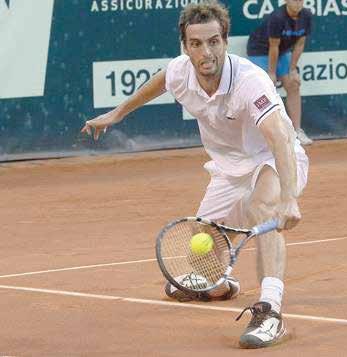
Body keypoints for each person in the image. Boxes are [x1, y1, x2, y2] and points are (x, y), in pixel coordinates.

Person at [81, 1, 308, 349]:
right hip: (228, 170)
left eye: (214, 41)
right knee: (203, 250)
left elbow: (279, 136)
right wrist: (117, 113)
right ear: (185, 47)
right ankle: (219, 285)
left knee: (264, 206)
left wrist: (288, 197)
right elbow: (160, 81)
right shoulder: (180, 71)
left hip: (273, 158)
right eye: (197, 44)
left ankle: (270, 312)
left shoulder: (250, 81)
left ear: (225, 41)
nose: (206, 52)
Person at [247, 0, 313, 146]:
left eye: (300, 0)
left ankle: (296, 132)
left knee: (293, 84)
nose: (298, 3)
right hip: (259, 50)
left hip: (282, 52)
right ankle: (264, 137)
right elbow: (273, 46)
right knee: (264, 90)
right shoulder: (277, 17)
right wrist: (271, 73)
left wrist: (293, 69)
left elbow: (300, 44)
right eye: (294, 0)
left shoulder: (306, 16)